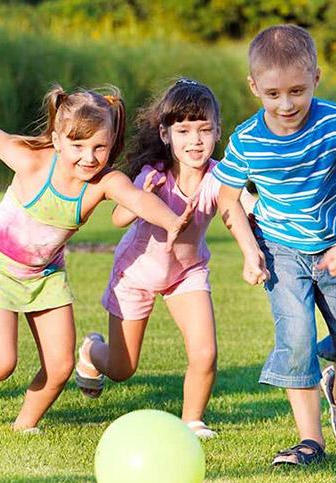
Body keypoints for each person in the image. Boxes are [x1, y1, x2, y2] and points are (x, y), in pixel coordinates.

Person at [0, 60, 196, 432]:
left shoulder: (103, 183)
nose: (89, 157)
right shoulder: (31, 161)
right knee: (1, 363)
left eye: (100, 147)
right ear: (58, 140)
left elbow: (137, 199)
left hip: (45, 275)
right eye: (78, 145)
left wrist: (172, 221)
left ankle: (23, 426)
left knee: (60, 366)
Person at [214, 25, 336, 465]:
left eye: (297, 90)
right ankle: (311, 441)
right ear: (254, 87)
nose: (286, 104)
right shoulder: (247, 139)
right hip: (281, 252)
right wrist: (249, 250)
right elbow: (227, 197)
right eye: (273, 94)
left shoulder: (335, 123)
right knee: (295, 339)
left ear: (316, 78)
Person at [74, 78, 255, 439]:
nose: (195, 140)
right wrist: (139, 195)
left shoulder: (219, 177)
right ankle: (92, 351)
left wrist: (256, 241)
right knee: (123, 368)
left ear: (218, 131)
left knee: (205, 352)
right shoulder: (152, 175)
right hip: (136, 274)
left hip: (186, 274)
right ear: (164, 133)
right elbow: (118, 218)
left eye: (204, 130)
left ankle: (192, 421)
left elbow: (241, 208)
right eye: (184, 130)